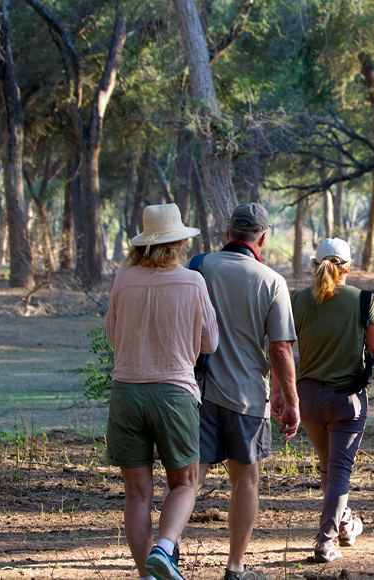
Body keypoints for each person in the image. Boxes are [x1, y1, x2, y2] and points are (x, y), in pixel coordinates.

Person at [104, 203, 219, 580]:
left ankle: (147, 575)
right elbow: (210, 343)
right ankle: (165, 549)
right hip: (174, 391)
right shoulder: (192, 281)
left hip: (126, 391)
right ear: (181, 242)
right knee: (184, 482)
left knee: (137, 494)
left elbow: (112, 336)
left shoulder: (124, 281)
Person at [192, 203, 300, 580]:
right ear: (263, 238)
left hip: (198, 395)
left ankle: (166, 550)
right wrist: (290, 398)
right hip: (247, 398)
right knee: (246, 481)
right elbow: (280, 349)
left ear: (227, 232)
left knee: (191, 479)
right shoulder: (272, 281)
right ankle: (235, 568)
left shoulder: (198, 266)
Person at [290, 238, 374, 563]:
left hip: (307, 399)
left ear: (314, 265)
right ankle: (325, 540)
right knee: (338, 472)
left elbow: (282, 345)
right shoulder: (363, 299)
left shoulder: (298, 300)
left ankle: (345, 523)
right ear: (349, 267)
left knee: (328, 468)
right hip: (346, 400)